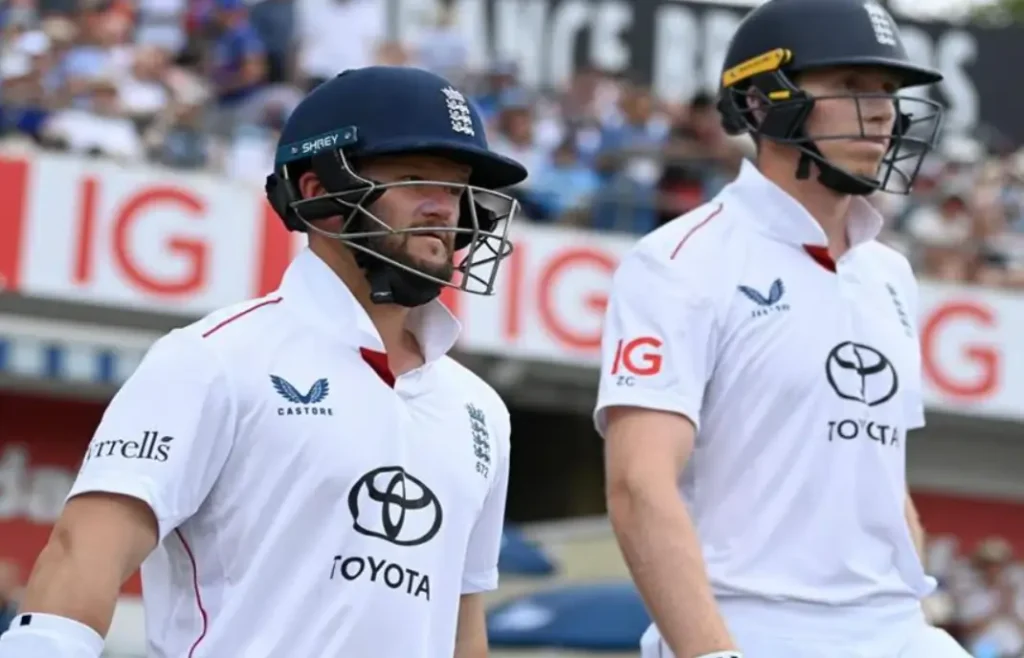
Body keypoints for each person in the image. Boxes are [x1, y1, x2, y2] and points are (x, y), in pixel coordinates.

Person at [0, 66, 527, 658]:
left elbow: (459, 627)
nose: (444, 209)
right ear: (317, 192)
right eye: (413, 179)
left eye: (455, 188)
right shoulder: (215, 358)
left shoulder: (479, 410)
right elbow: (84, 553)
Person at [594, 0, 969, 657]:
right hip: (753, 628)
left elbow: (884, 478)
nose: (882, 112)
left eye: (887, 92)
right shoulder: (679, 262)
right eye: (851, 87)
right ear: (763, 101)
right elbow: (637, 484)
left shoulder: (889, 275)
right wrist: (712, 654)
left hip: (894, 631)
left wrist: (911, 617)